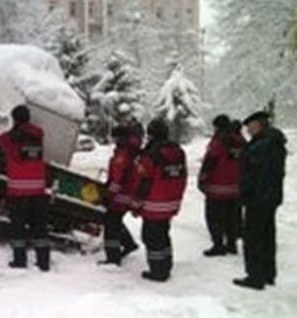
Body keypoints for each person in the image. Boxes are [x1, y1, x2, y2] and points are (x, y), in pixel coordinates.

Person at [0, 105, 50, 271]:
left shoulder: (9, 138)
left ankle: (20, 260)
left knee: (18, 227)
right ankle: (43, 262)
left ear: (14, 119)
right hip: (38, 191)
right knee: (39, 228)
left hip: (18, 191)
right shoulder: (38, 134)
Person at [233, 111, 287, 290]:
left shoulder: (262, 145)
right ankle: (267, 273)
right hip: (270, 197)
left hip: (258, 198)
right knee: (267, 235)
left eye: (250, 126)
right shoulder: (273, 142)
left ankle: (255, 276)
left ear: (258, 125)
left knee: (253, 237)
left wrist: (245, 193)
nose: (247, 130)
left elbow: (254, 174)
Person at [132, 119, 188, 282]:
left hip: (154, 204)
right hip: (171, 202)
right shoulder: (178, 151)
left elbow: (144, 181)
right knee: (163, 234)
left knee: (151, 237)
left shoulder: (151, 154)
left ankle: (158, 271)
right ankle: (165, 265)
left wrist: (136, 204)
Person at [198, 114, 244, 256]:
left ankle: (218, 245)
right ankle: (231, 244)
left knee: (214, 217)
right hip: (236, 186)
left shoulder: (219, 141)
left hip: (216, 187)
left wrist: (203, 179)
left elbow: (210, 161)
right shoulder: (241, 140)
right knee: (232, 216)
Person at [99, 125, 139, 266]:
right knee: (115, 221)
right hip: (128, 193)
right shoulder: (132, 150)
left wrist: (108, 194)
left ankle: (113, 258)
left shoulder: (123, 153)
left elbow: (118, 177)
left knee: (111, 224)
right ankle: (129, 244)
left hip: (121, 195)